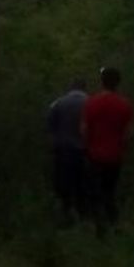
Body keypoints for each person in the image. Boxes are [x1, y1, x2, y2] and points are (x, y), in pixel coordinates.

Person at [82, 67, 134, 236]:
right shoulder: (125, 105)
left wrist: (88, 145)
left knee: (94, 192)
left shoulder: (91, 103)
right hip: (114, 157)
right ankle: (114, 224)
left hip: (95, 155)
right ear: (118, 83)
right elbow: (127, 135)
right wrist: (123, 150)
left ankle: (99, 227)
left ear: (101, 81)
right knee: (110, 191)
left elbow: (84, 130)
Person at [47, 78, 88, 224]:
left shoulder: (58, 103)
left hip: (63, 150)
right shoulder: (90, 103)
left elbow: (50, 128)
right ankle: (83, 216)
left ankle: (64, 215)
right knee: (82, 185)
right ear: (84, 88)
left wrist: (53, 146)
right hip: (84, 152)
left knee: (63, 185)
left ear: (70, 87)